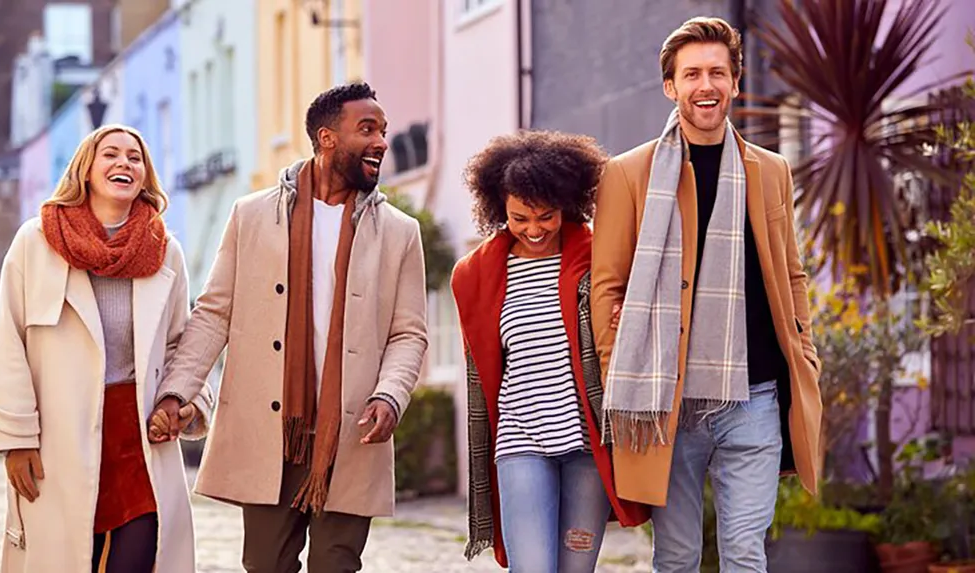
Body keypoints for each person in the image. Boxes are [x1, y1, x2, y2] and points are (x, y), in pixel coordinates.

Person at [149, 81, 428, 573]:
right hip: (270, 431)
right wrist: (178, 390)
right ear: (327, 138)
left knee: (336, 565)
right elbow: (214, 313)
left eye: (383, 131)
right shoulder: (251, 215)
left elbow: (409, 333)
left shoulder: (401, 233)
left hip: (349, 433)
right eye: (367, 129)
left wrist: (390, 395)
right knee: (265, 564)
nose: (382, 142)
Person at [591, 17, 823, 573]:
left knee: (746, 554)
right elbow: (607, 284)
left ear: (736, 82)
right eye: (691, 73)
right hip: (667, 403)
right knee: (676, 557)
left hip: (757, 395)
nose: (706, 85)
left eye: (718, 72)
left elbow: (792, 274)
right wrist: (616, 370)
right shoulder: (628, 174)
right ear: (671, 86)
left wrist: (806, 351)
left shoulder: (770, 171)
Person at [0, 124, 213, 573]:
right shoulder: (36, 242)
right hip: (58, 439)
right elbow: (12, 343)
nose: (123, 163)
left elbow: (182, 345)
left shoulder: (165, 252)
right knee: (66, 559)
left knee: (140, 557)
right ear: (86, 169)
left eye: (135, 157)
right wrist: (16, 439)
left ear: (145, 177)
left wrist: (184, 403)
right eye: (111, 154)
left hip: (140, 441)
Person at [453, 130, 648, 572]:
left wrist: (624, 316)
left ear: (568, 203)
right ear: (498, 207)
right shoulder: (477, 275)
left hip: (586, 446)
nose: (534, 229)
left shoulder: (601, 259)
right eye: (520, 218)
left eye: (546, 216)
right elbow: (483, 368)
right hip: (520, 442)